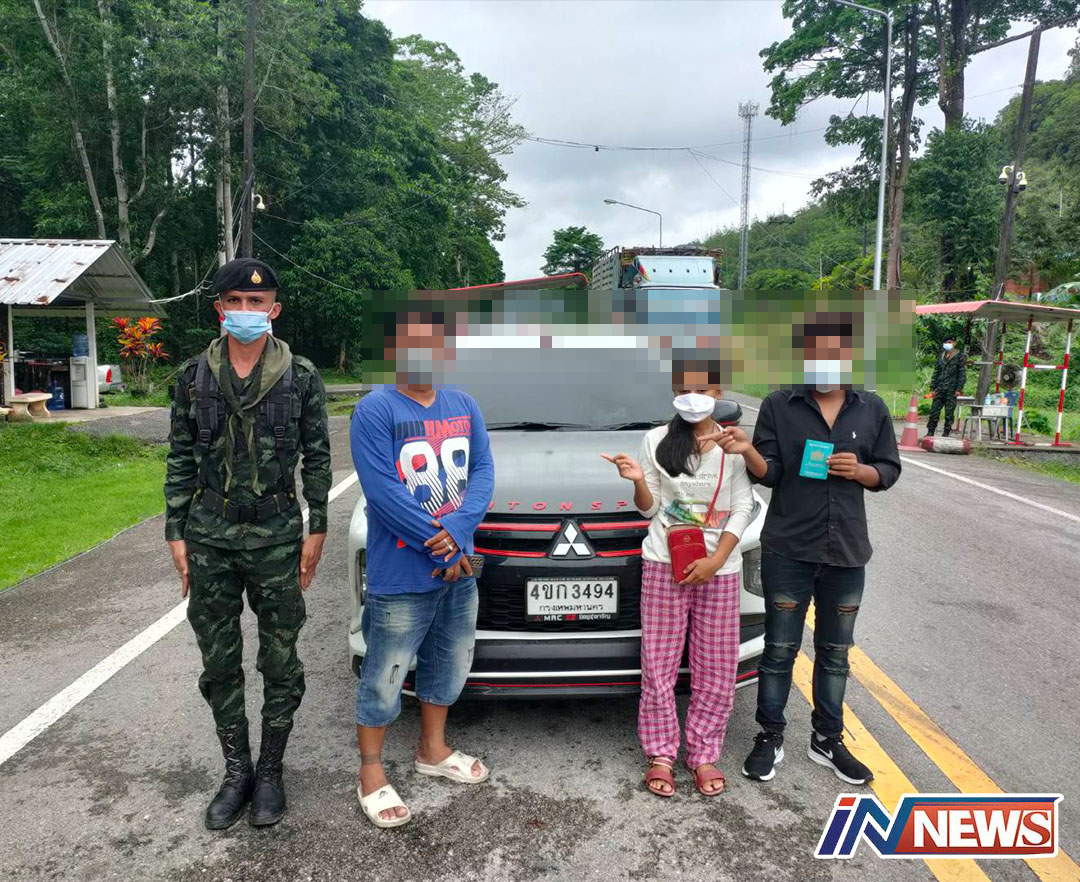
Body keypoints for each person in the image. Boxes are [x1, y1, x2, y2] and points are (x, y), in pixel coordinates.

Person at [164, 257, 331, 829]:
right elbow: (180, 457)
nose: (244, 311)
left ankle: (271, 772)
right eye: (234, 302)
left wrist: (318, 526)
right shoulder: (193, 376)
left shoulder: (301, 376)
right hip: (209, 535)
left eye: (255, 302)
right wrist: (175, 530)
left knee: (280, 659)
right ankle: (236, 771)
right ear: (219, 309)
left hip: (277, 534)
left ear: (273, 309)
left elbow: (318, 456)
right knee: (219, 661)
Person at [711, 316, 900, 785]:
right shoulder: (780, 405)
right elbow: (770, 472)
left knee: (835, 653)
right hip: (789, 548)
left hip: (846, 553)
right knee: (779, 650)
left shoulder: (871, 409)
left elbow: (889, 469)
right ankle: (769, 736)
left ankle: (827, 739)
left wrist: (863, 472)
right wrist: (747, 450)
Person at [349, 306, 495, 829]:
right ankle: (370, 770)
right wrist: (444, 545)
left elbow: (482, 472)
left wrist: (458, 533)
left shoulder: (464, 405)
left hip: (458, 569)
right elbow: (382, 492)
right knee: (385, 672)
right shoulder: (374, 409)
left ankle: (433, 750)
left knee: (449, 661)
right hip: (402, 572)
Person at [603, 361, 754, 798]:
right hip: (662, 564)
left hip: (719, 569)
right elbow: (650, 509)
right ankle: (662, 753)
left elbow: (743, 507)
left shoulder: (732, 444)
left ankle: (704, 753)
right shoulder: (655, 440)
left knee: (717, 667)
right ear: (674, 391)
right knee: (659, 664)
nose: (693, 395)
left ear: (718, 391)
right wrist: (636, 482)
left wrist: (715, 560)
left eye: (703, 388)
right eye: (685, 387)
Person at [925, 335, 967, 438]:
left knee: (949, 413)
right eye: (946, 342)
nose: (948, 344)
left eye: (950, 342)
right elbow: (936, 372)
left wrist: (959, 389)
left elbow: (962, 374)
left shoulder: (959, 356)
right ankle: (930, 432)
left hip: (951, 390)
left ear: (954, 343)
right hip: (939, 389)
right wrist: (932, 388)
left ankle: (946, 433)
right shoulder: (941, 356)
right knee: (934, 412)